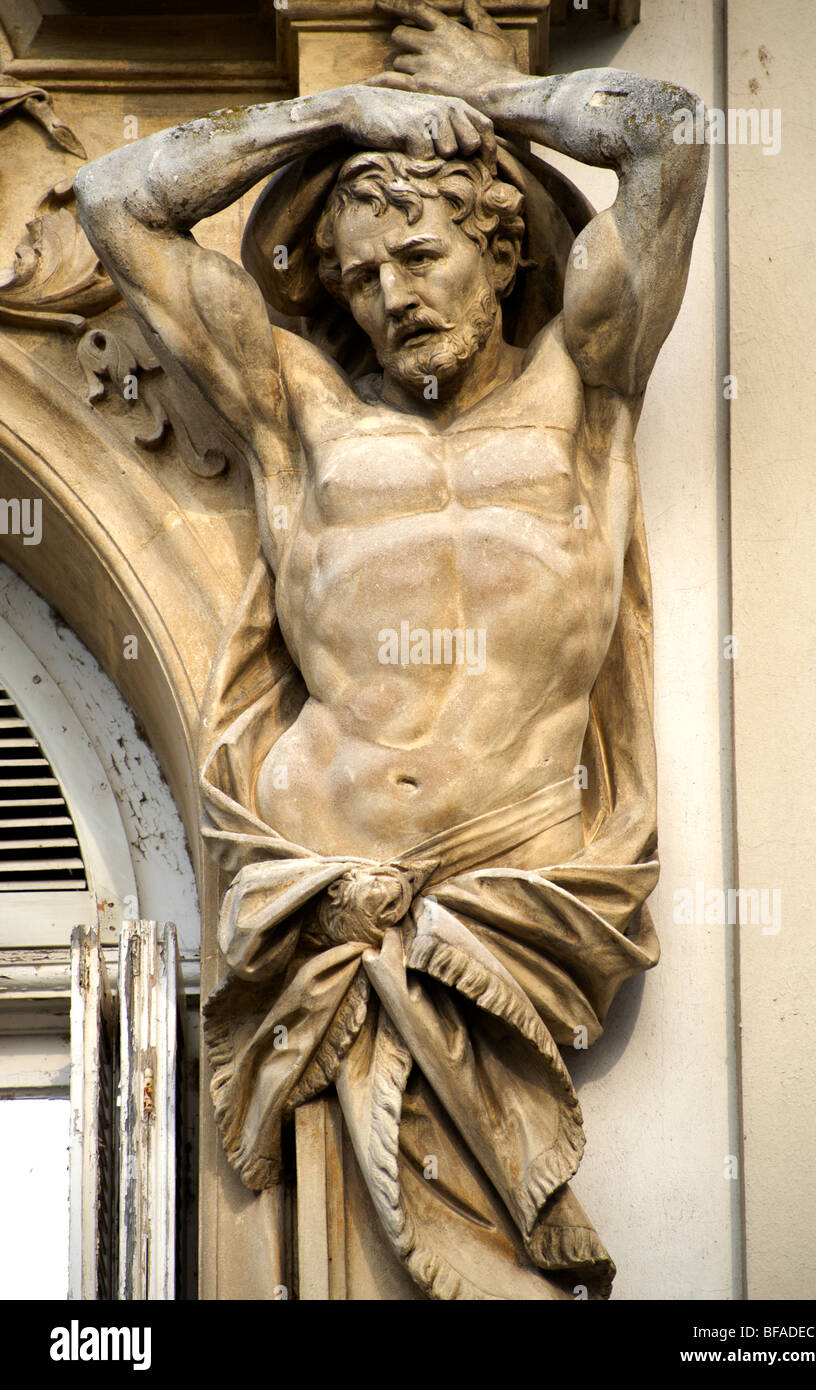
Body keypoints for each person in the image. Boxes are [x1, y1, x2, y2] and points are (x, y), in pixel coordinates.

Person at [75, 0, 707, 1299]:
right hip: (330, 896)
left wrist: (496, 96)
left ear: (493, 238)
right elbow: (119, 202)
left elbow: (672, 135)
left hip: (508, 892)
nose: (390, 295)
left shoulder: (583, 386)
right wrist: (329, 114)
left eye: (417, 256)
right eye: (360, 277)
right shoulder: (299, 417)